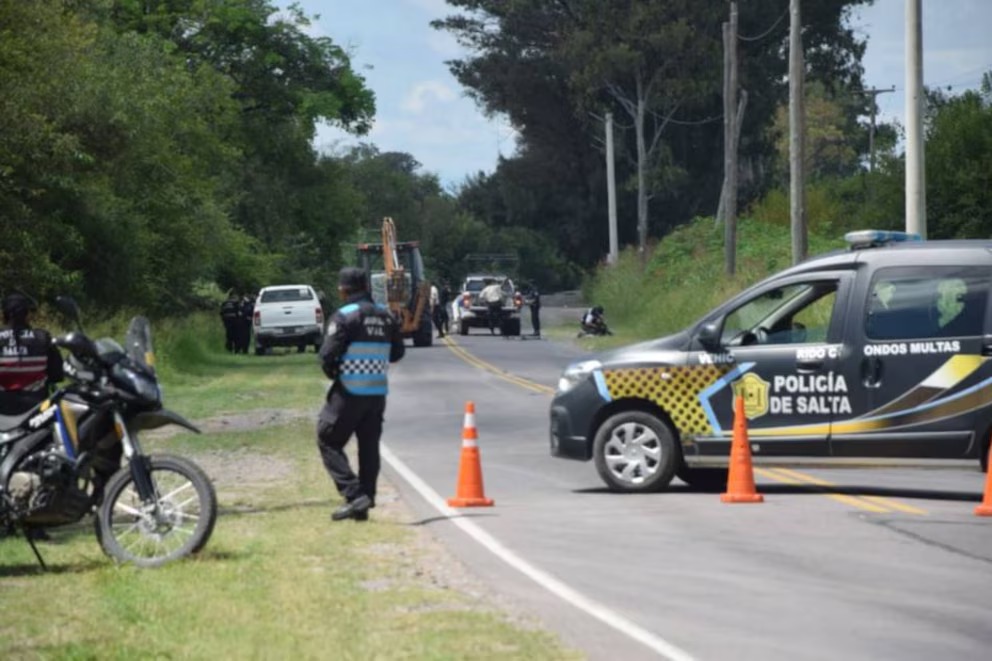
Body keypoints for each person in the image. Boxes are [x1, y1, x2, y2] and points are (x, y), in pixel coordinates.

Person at [317, 267, 405, 522]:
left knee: (328, 439)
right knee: (369, 447)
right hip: (377, 392)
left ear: (343, 290)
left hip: (349, 390)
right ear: (366, 287)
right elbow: (397, 353)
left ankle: (355, 494)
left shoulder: (345, 315)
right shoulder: (386, 316)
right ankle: (365, 501)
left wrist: (334, 372)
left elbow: (327, 355)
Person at [0, 293, 64, 416]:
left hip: (3, 412)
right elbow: (57, 375)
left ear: (4, 315)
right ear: (27, 314)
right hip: (37, 411)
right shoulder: (43, 337)